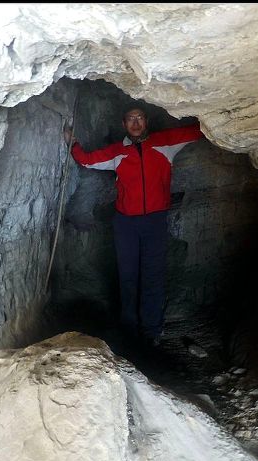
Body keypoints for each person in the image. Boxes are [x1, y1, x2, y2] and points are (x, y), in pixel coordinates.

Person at [64, 101, 203, 350]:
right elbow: (87, 160)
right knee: (128, 275)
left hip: (154, 221)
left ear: (146, 121)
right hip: (126, 222)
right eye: (131, 119)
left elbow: (199, 130)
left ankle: (151, 330)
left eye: (140, 118)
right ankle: (129, 329)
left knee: (153, 274)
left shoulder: (165, 143)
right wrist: (72, 143)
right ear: (124, 124)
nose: (136, 123)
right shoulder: (118, 152)